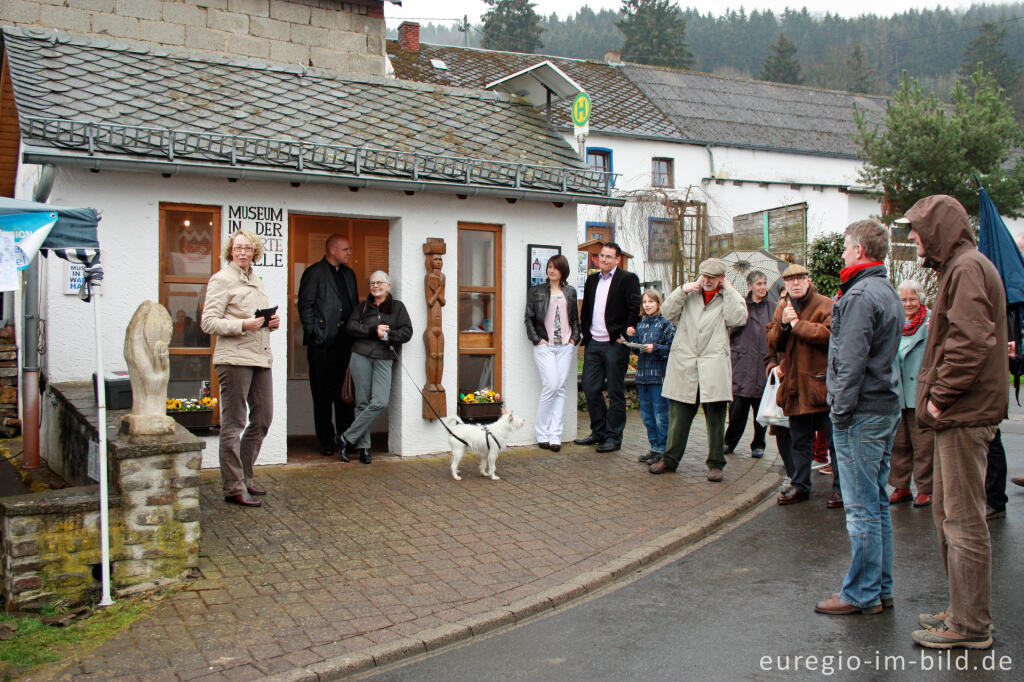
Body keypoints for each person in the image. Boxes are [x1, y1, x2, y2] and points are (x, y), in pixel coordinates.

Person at [902, 194, 1007, 650]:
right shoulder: (960, 267)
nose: (911, 238)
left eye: (917, 229)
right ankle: (962, 611)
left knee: (963, 522)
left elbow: (971, 341)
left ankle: (970, 626)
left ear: (938, 230)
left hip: (963, 416)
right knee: (949, 517)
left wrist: (939, 400)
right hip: (958, 416)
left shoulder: (966, 269)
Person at [815, 219, 902, 616]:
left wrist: (840, 412)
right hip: (883, 407)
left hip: (862, 412)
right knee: (876, 503)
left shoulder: (861, 295)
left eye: (848, 248)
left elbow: (850, 363)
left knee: (861, 508)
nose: (844, 254)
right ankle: (878, 588)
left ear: (860, 251)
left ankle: (861, 594)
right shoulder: (886, 289)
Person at [200, 230, 280, 508]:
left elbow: (256, 318)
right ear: (230, 251)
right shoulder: (221, 280)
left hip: (259, 358)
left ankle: (245, 476)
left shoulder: (255, 280)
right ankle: (233, 487)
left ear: (255, 252)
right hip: (233, 359)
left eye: (247, 248)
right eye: (237, 248)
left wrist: (270, 322)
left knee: (263, 418)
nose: (242, 252)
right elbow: (208, 322)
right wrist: (242, 325)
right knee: (234, 423)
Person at [649, 259, 747, 481]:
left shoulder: (728, 296)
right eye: (704, 276)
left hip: (713, 364)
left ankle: (716, 463)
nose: (707, 281)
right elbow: (666, 313)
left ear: (722, 278)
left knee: (715, 418)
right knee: (678, 416)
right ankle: (670, 459)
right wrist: (681, 290)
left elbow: (737, 318)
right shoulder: (689, 294)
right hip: (686, 362)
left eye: (712, 277)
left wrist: (730, 291)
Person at [766, 264, 842, 507]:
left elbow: (831, 335)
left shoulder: (825, 304)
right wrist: (784, 325)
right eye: (790, 280)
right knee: (799, 441)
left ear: (808, 281)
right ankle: (800, 486)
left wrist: (798, 325)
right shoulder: (782, 307)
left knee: (835, 443)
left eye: (800, 278)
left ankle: (841, 489)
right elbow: (772, 342)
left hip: (822, 386)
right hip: (796, 387)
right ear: (785, 285)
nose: (795, 283)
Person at [339, 271, 413, 464]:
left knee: (380, 401)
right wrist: (373, 331)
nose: (375, 286)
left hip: (384, 357)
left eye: (379, 282)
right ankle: (364, 448)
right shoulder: (363, 307)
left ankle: (347, 438)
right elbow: (350, 328)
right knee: (361, 402)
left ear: (388, 286)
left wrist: (387, 335)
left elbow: (407, 332)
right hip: (360, 355)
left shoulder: (397, 307)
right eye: (372, 283)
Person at [575, 243, 642, 453]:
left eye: (608, 256)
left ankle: (614, 437)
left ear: (617, 259)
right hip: (594, 342)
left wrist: (623, 333)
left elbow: (634, 310)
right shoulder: (592, 280)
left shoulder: (627, 279)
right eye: (601, 255)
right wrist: (584, 332)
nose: (603, 259)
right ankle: (599, 431)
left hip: (615, 343)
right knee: (590, 386)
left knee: (615, 391)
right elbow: (586, 309)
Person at [298, 234, 359, 459]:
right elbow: (305, 306)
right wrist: (316, 333)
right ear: (332, 250)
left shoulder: (349, 274)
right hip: (322, 346)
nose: (349, 253)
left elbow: (352, 306)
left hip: (346, 345)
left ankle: (346, 438)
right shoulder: (314, 273)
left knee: (345, 395)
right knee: (322, 396)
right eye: (346, 249)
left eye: (350, 249)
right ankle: (325, 441)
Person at [525, 254, 581, 452]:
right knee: (551, 385)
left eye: (555, 267)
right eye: (549, 267)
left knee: (561, 387)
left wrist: (574, 339)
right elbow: (529, 318)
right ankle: (542, 432)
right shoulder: (537, 291)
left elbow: (575, 319)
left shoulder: (571, 292)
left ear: (562, 270)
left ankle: (555, 435)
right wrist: (537, 340)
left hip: (565, 346)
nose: (551, 270)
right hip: (545, 346)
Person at [888, 279, 934, 508]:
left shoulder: (930, 321)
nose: (908, 303)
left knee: (924, 443)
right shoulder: (894, 322)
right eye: (903, 299)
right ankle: (901, 486)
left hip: (920, 391)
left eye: (912, 299)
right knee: (899, 443)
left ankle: (925, 489)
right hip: (897, 392)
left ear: (921, 299)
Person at [724, 270, 775, 458]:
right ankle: (729, 442)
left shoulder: (773, 308)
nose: (762, 287)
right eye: (759, 284)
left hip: (763, 364)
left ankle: (758, 444)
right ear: (750, 285)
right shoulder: (741, 305)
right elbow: (729, 329)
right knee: (737, 409)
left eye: (764, 283)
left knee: (761, 410)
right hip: (742, 364)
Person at [626, 289, 676, 464]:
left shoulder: (666, 324)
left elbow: (671, 349)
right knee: (647, 416)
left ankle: (664, 449)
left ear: (659, 303)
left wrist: (655, 348)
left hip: (659, 377)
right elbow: (636, 349)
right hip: (643, 376)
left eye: (651, 302)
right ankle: (654, 447)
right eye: (645, 302)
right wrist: (630, 338)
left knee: (661, 415)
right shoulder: (641, 325)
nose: (647, 305)